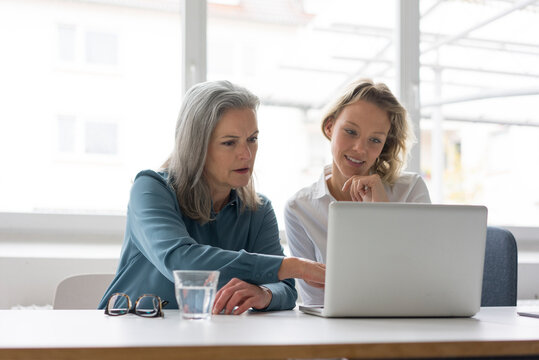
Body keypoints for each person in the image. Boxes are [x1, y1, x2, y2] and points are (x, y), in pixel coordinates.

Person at [98, 80, 325, 315]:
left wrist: (265, 294)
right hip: (129, 337)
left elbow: (285, 289)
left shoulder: (258, 209)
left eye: (252, 139)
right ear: (196, 146)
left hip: (210, 340)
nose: (246, 154)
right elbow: (182, 263)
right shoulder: (150, 188)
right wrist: (291, 266)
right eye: (229, 143)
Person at [284, 79, 431, 306]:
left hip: (406, 324)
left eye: (375, 140)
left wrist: (381, 214)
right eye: (351, 131)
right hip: (337, 332)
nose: (360, 149)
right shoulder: (300, 208)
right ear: (329, 127)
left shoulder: (410, 190)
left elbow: (422, 283)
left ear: (385, 144)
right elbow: (316, 300)